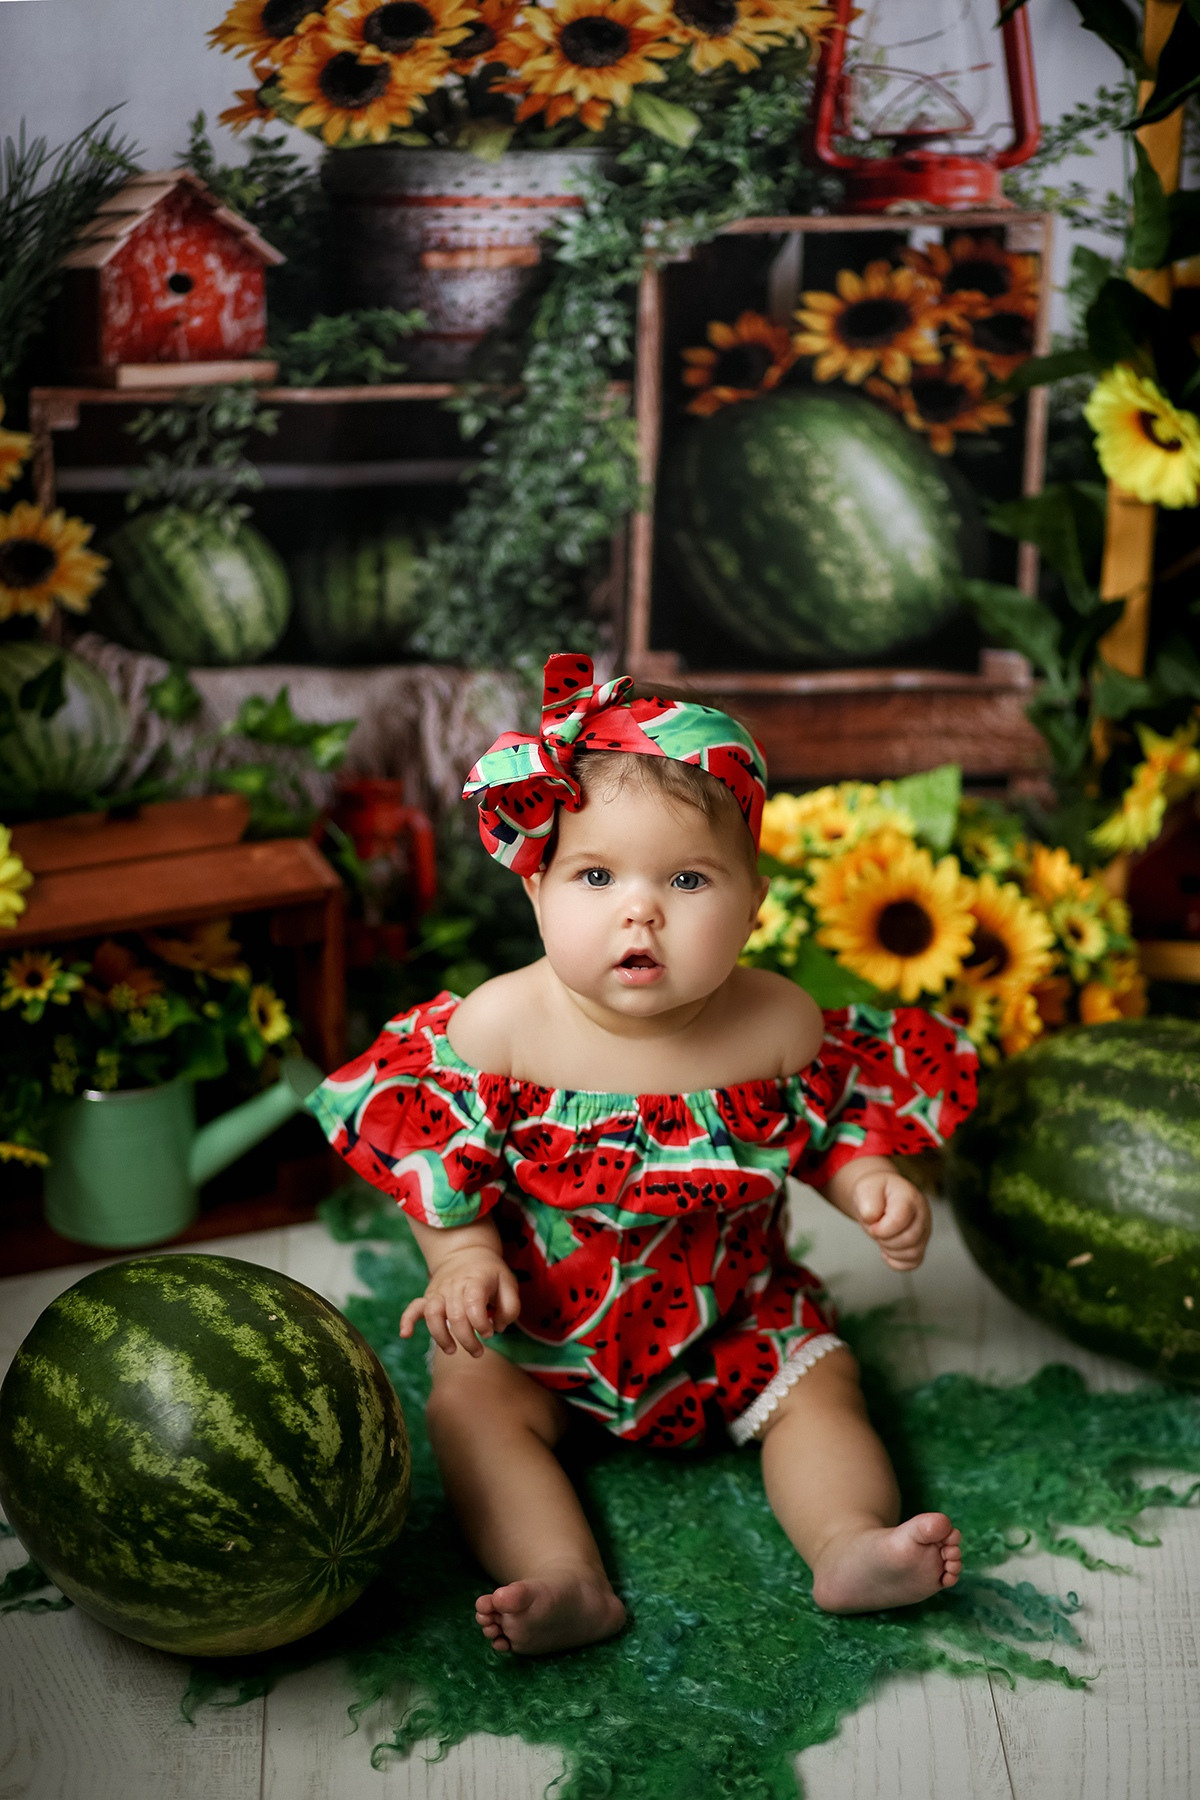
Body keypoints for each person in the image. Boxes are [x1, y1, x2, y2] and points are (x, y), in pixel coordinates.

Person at [307, 653, 978, 1657]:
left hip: (735, 1313)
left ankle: (848, 1543)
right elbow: (437, 1159)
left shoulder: (778, 1026)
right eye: (595, 875)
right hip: (541, 1329)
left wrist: (869, 1182)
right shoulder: (500, 1029)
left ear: (753, 901)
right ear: (535, 891)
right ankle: (562, 1575)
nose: (640, 910)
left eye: (688, 878)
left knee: (822, 1388)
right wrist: (463, 1260)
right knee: (472, 1404)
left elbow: (829, 1128)